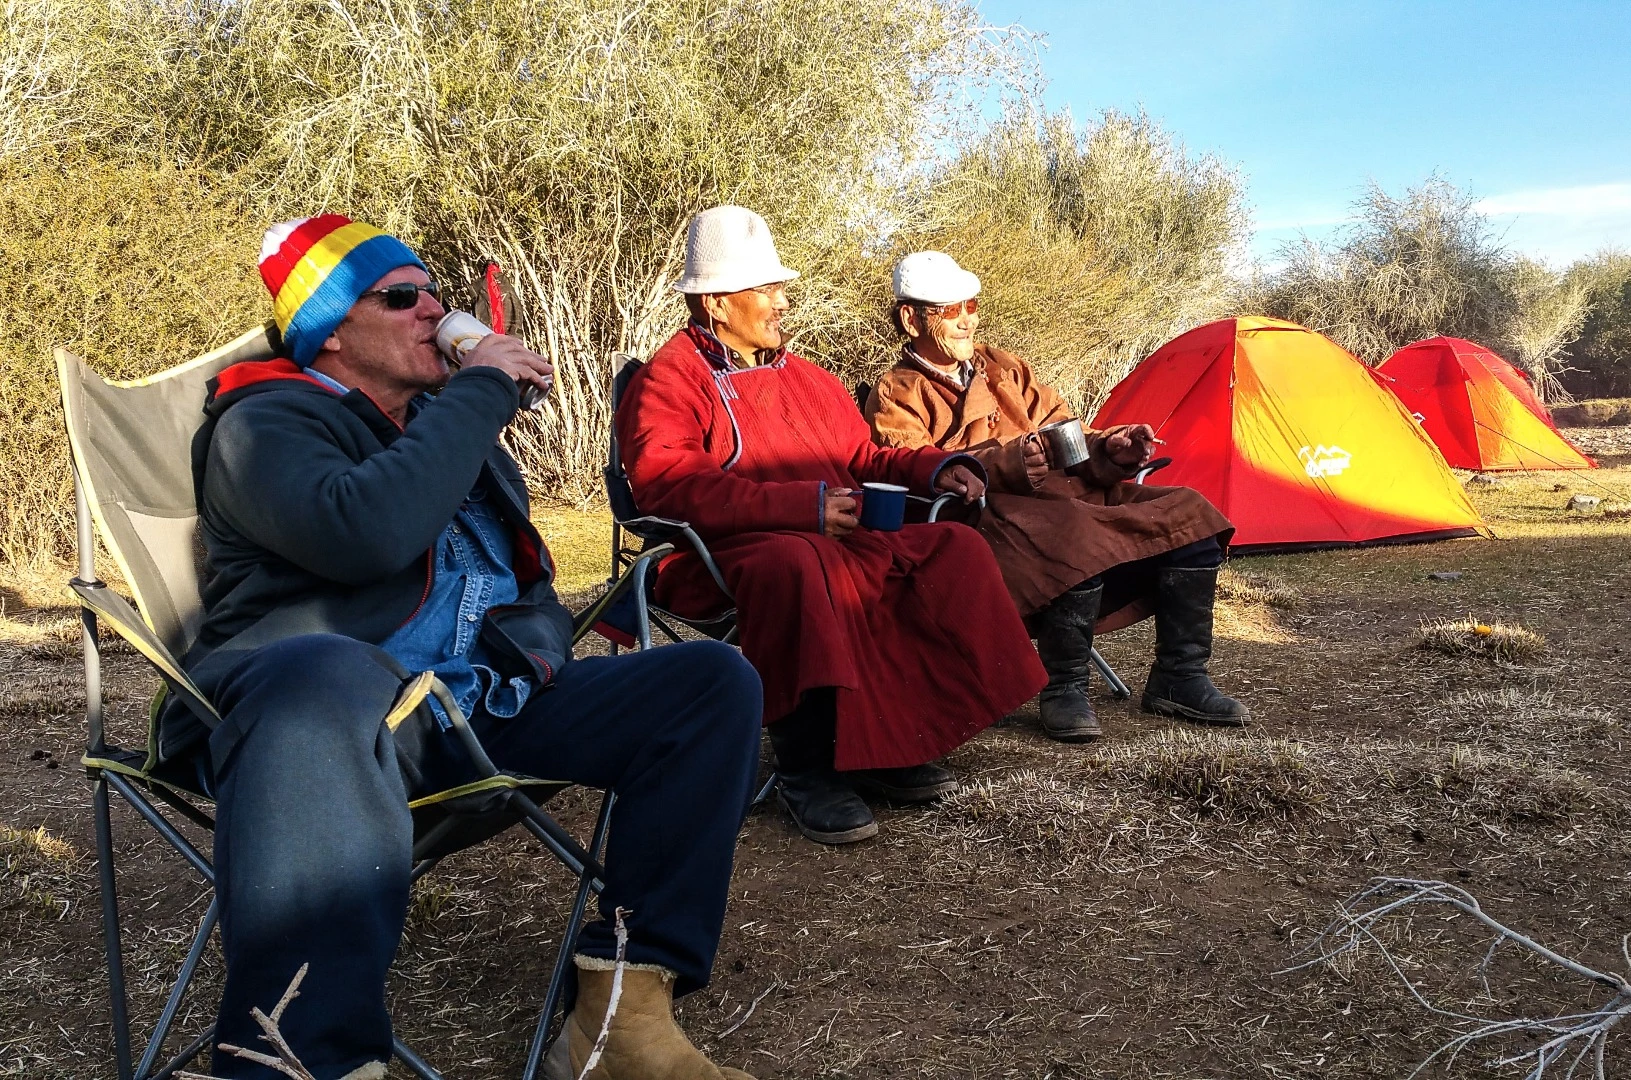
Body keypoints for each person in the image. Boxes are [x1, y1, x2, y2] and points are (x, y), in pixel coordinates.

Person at [181, 215, 763, 1080]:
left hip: (479, 705)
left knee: (711, 680)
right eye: (402, 297)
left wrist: (537, 650)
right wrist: (481, 392)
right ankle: (301, 1057)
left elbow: (517, 584)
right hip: (334, 731)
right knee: (327, 675)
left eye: (436, 296)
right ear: (331, 330)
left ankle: (619, 1024)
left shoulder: (439, 431)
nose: (433, 313)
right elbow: (366, 532)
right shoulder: (262, 422)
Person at [617, 206, 1046, 845]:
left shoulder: (807, 377)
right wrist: (803, 508)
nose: (781, 302)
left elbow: (865, 458)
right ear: (715, 304)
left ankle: (892, 744)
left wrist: (937, 470)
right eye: (766, 289)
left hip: (833, 536)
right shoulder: (669, 380)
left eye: (779, 287)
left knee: (949, 546)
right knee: (801, 567)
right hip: (723, 553)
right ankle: (807, 767)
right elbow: (667, 485)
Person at [865, 251, 1245, 743]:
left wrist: (1111, 446)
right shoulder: (896, 392)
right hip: (988, 522)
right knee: (1072, 533)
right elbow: (916, 470)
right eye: (948, 311)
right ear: (910, 318)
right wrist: (1006, 461)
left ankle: (1179, 676)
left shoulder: (1005, 367)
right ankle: (1063, 686)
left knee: (1191, 511)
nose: (966, 320)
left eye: (971, 305)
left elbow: (1067, 432)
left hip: (1074, 498)